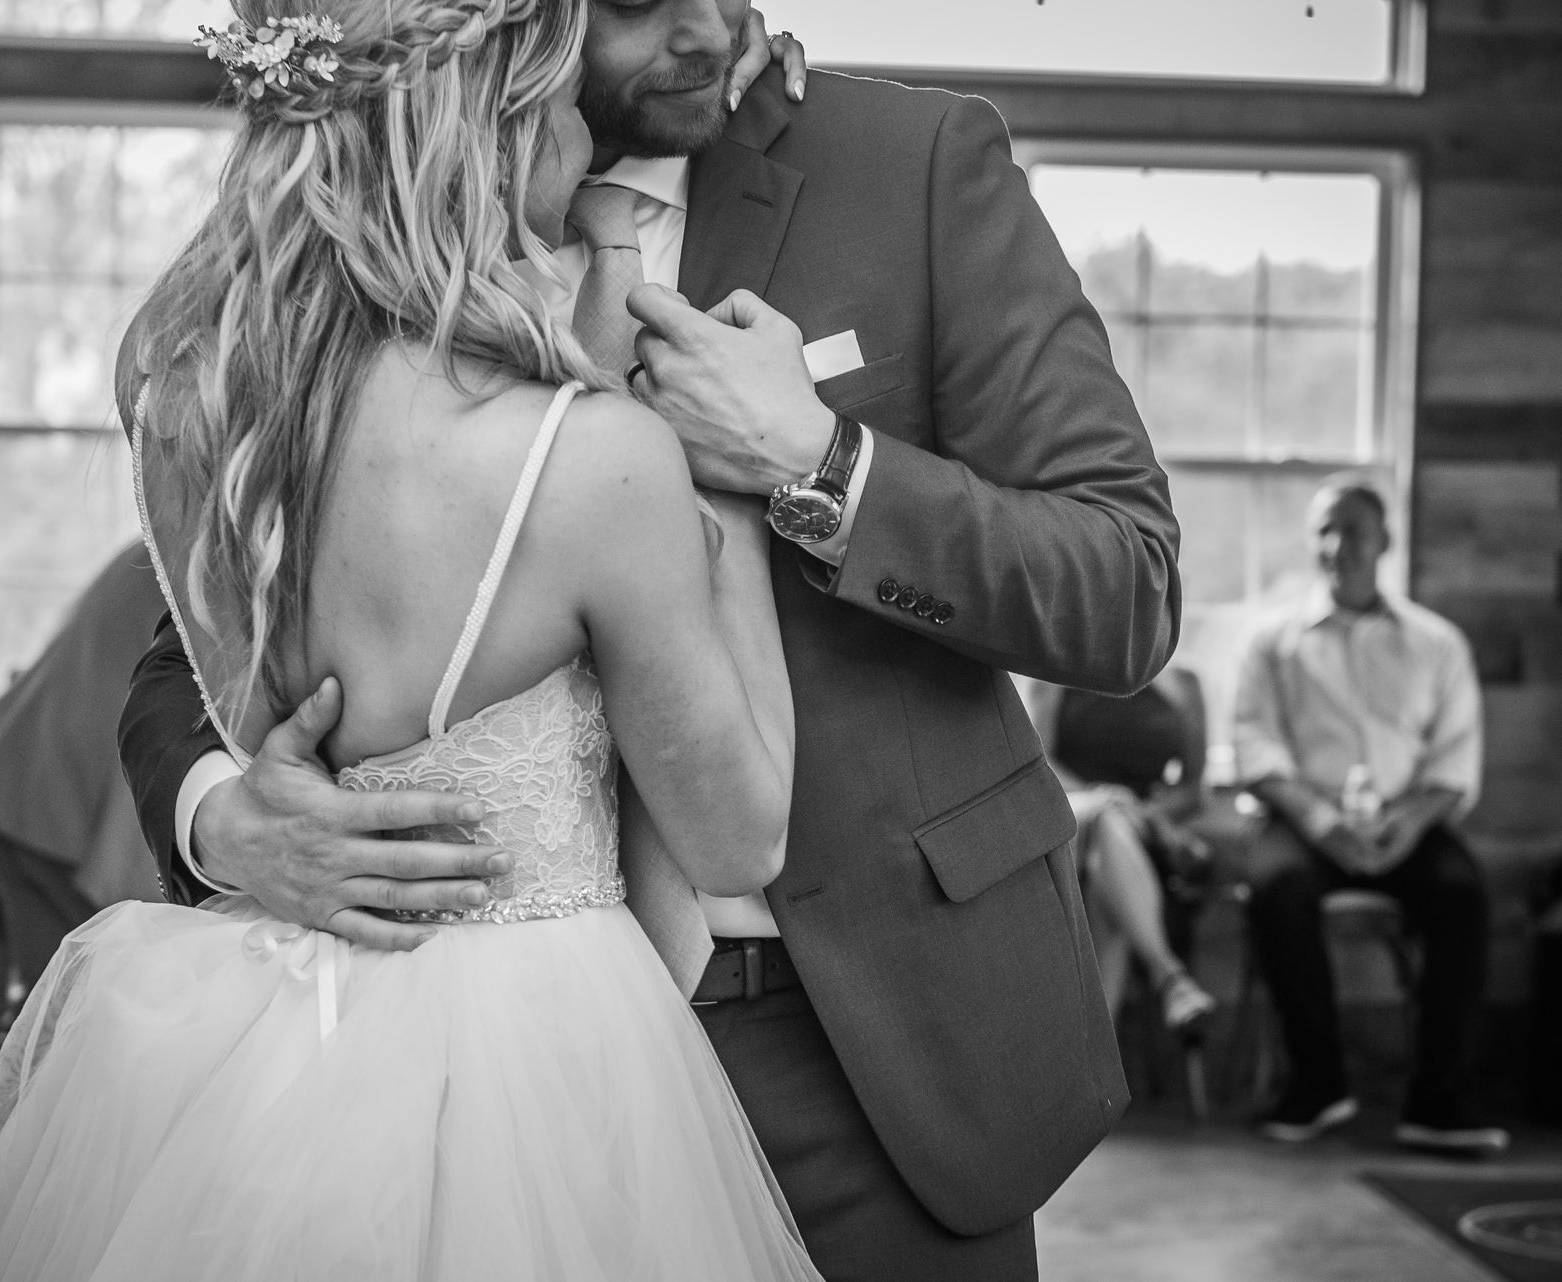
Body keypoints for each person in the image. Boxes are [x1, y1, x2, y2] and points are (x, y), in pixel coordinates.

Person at [121, 2, 1182, 1276]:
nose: (709, 27)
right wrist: (222, 818)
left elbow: (1125, 581)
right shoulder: (368, 214)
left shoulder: (910, 165)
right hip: (475, 1065)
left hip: (871, 1044)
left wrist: (827, 467)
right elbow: (198, 637)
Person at [0, 2, 822, 1277]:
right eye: (558, 105)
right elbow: (741, 835)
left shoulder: (181, 388)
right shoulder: (599, 461)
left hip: (258, 1044)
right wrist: (726, 493)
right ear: (494, 129)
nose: (582, 140)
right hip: (547, 1044)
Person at [1234, 477, 1507, 1155]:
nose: (1336, 545)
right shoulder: (1272, 641)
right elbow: (1252, 740)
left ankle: (1440, 1101)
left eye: (1351, 529)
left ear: (1384, 539)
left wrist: (1406, 826)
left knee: (1463, 893)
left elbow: (1453, 759)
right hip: (1306, 821)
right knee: (1275, 889)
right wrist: (1320, 820)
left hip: (1405, 824)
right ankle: (1317, 1082)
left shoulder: (1437, 643)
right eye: (1324, 530)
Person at [0, 541, 167, 1005]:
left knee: (58, 1016)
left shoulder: (160, 540)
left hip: (29, 784)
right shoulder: (213, 552)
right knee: (73, 1023)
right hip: (63, 804)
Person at [1019, 671, 1219, 1039]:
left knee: (1108, 850)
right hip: (1073, 822)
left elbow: (1193, 790)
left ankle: (1094, 1066)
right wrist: (1102, 797)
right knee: (1104, 831)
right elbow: (1038, 765)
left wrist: (1140, 811)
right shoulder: (1054, 672)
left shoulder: (1185, 681)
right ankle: (1170, 978)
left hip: (1145, 825)